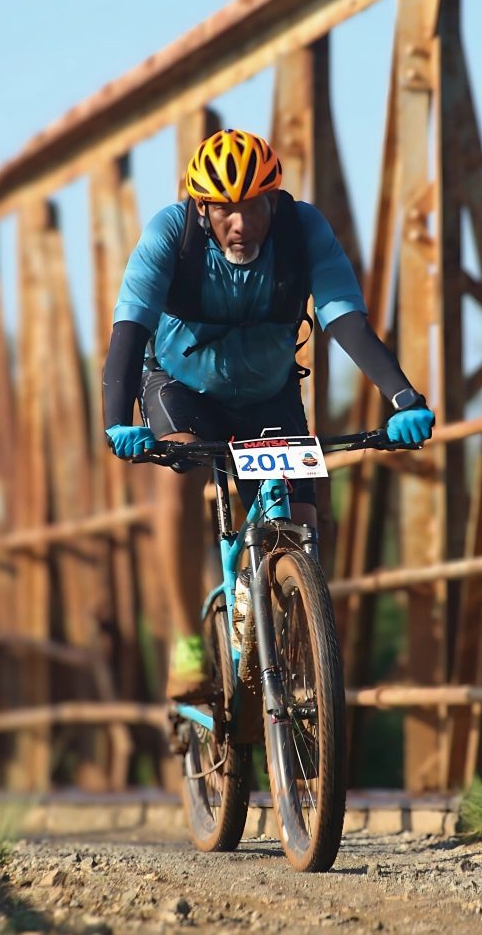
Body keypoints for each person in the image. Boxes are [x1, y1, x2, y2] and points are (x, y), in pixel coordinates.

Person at [102, 128, 435, 702]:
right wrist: (116, 420)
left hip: (267, 393)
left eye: (254, 206)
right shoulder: (169, 235)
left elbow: (346, 321)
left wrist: (403, 398)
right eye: (224, 209)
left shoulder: (303, 231)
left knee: (302, 517)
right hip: (181, 387)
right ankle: (187, 641)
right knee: (179, 470)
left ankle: (297, 643)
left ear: (274, 201)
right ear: (202, 209)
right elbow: (130, 330)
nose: (240, 223)